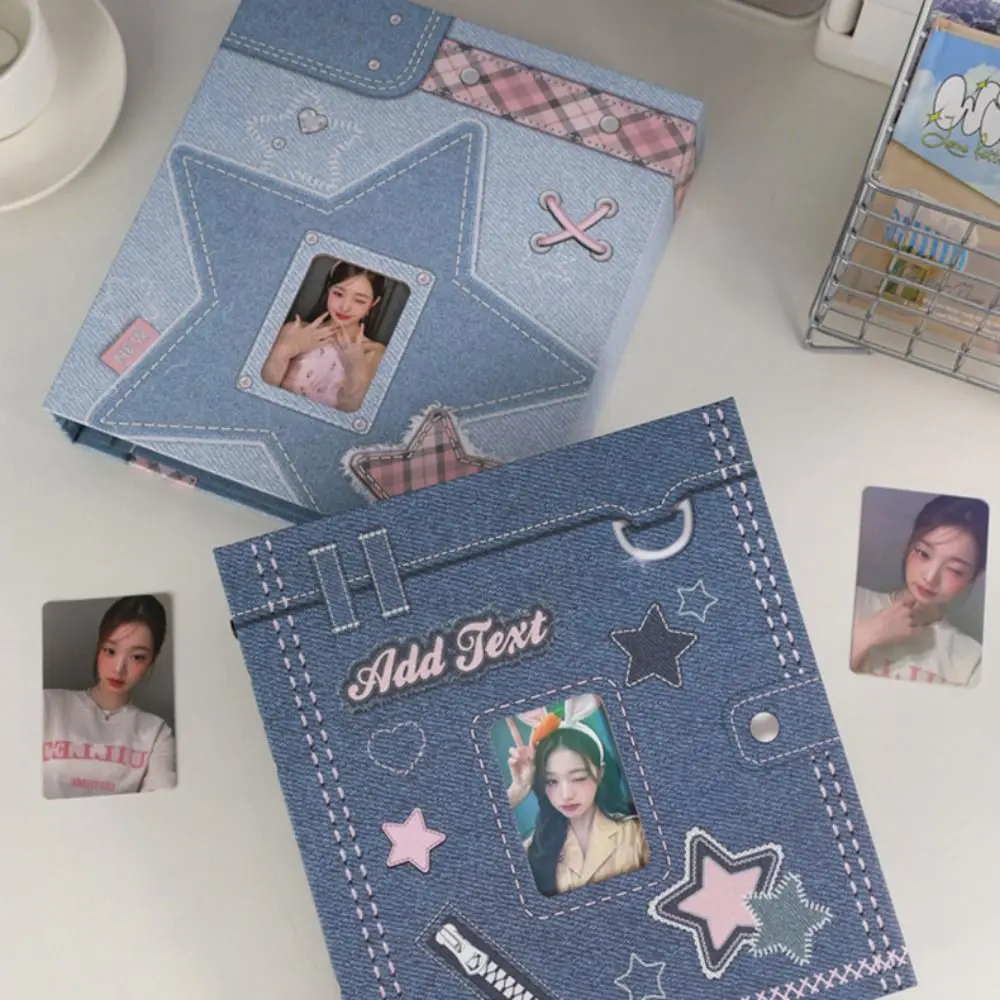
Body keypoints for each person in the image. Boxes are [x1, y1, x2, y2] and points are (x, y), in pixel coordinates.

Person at [43, 595, 177, 798]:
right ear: (99, 648)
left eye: (137, 657)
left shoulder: (156, 734)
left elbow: (160, 807)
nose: (119, 668)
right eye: (111, 651)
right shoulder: (47, 705)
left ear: (152, 660)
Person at [506, 708, 648, 896]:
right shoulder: (533, 848)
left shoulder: (637, 834)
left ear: (600, 772)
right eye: (551, 781)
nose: (566, 795)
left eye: (579, 778)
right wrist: (516, 792)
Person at [851, 494, 989, 687]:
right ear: (910, 545)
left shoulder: (973, 661)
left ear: (974, 576)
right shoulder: (853, 601)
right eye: (923, 554)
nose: (930, 578)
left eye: (955, 570)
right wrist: (869, 634)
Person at [261, 261, 387, 413]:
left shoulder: (374, 352)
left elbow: (349, 411)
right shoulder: (294, 330)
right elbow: (262, 391)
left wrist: (356, 369)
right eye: (338, 294)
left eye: (359, 300)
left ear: (374, 303)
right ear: (329, 289)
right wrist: (285, 349)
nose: (345, 307)